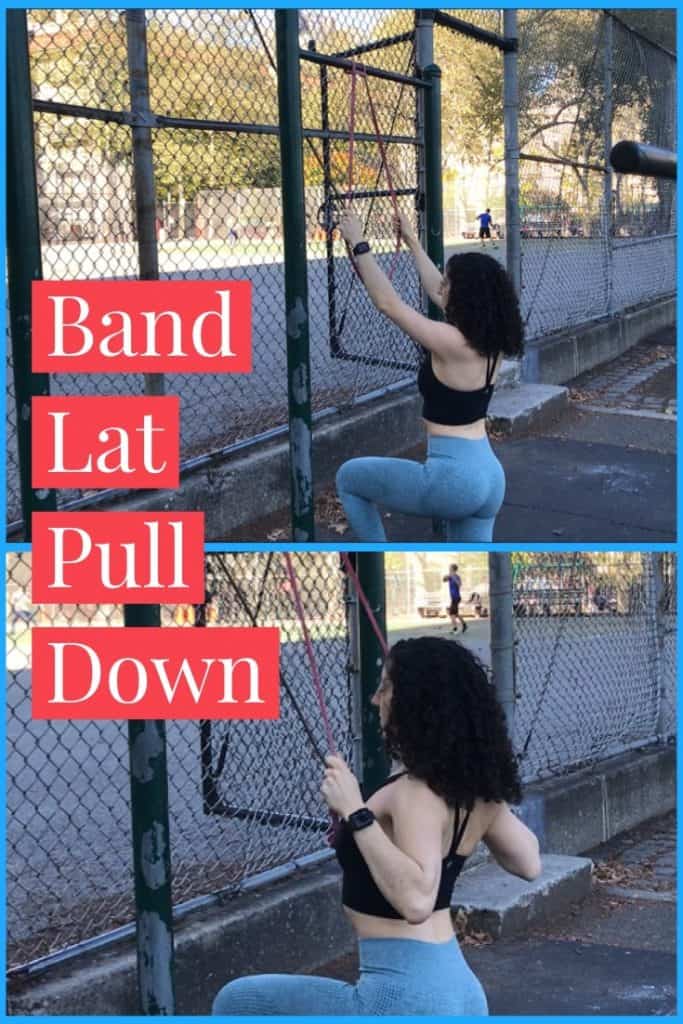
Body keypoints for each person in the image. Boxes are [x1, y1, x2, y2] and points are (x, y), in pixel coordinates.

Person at [212, 636, 541, 1016]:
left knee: (239, 1001)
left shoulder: (414, 793)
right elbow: (528, 861)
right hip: (459, 991)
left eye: (385, 686)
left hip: (403, 998)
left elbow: (417, 901)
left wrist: (356, 810)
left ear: (417, 702)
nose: (375, 698)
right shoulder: (471, 791)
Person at [335, 207, 524, 542]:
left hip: (454, 477)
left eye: (449, 282)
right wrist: (412, 241)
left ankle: (377, 562)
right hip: (489, 474)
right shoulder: (489, 341)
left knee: (349, 478)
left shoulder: (451, 342)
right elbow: (438, 290)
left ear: (465, 296)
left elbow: (388, 304)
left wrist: (358, 243)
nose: (442, 286)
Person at [443, 563, 467, 633]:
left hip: (456, 597)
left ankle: (455, 628)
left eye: (450, 568)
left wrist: (453, 577)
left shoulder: (456, 576)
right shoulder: (450, 576)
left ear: (453, 569)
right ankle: (464, 624)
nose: (449, 569)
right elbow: (444, 580)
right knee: (455, 613)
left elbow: (459, 584)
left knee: (451, 613)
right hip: (453, 598)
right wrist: (446, 577)